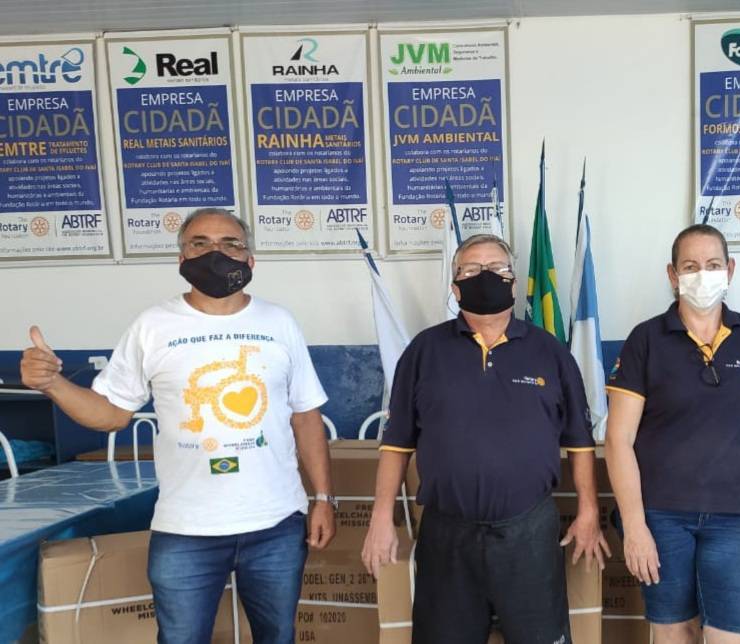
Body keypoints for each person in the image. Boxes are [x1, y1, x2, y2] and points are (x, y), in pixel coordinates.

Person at [20, 207, 335, 644]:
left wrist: (323, 498)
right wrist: (52, 384)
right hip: (186, 528)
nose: (215, 252)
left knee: (277, 636)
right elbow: (111, 413)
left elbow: (305, 415)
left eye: (230, 243)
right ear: (181, 259)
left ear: (250, 259)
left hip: (276, 522)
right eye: (200, 243)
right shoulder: (153, 326)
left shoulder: (279, 322)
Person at [360, 233, 609, 644]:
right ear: (455, 287)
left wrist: (588, 513)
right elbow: (397, 443)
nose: (486, 276)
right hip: (446, 535)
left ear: (513, 281)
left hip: (528, 532)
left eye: (496, 268)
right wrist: (381, 517)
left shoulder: (550, 352)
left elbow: (580, 443)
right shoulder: (424, 351)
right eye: (472, 269)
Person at [604, 224, 740, 644]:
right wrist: (634, 526)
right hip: (661, 516)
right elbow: (618, 440)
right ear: (672, 275)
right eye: (690, 266)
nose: (702, 274)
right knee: (677, 633)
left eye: (712, 264)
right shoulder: (645, 340)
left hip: (734, 515)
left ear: (730, 269)